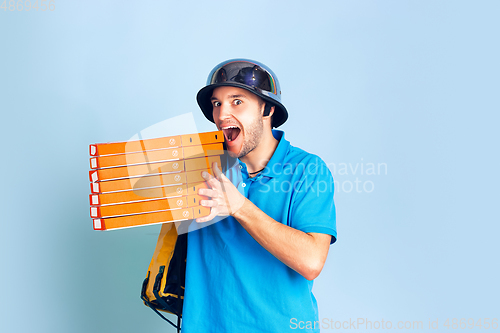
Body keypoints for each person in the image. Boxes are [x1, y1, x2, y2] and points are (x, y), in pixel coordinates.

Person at [181, 59, 337, 333]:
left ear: (268, 109)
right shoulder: (198, 166)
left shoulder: (308, 170)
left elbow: (312, 261)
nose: (221, 114)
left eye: (236, 101)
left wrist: (239, 206)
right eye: (217, 104)